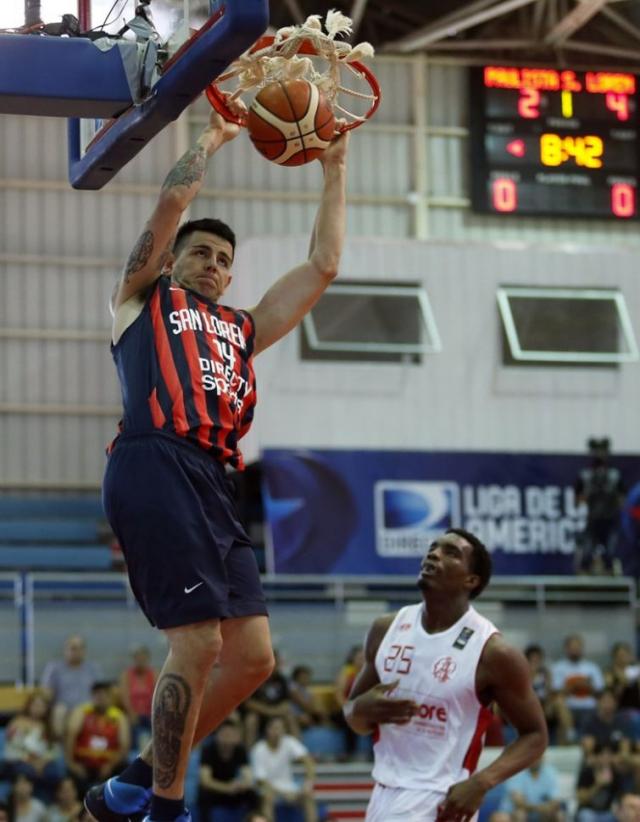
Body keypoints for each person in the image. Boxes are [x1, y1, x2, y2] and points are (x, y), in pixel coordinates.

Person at [84, 95, 349, 822]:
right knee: (197, 641)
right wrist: (214, 136)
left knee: (254, 657)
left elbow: (323, 265)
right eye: (202, 252)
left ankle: (135, 780)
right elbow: (172, 202)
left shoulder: (242, 327)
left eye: (225, 259)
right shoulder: (143, 300)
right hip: (154, 460)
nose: (214, 264)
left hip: (214, 480)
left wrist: (335, 167)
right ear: (174, 261)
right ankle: (164, 809)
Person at [342, 528, 548, 822]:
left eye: (451, 553)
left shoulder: (493, 652)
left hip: (442, 799)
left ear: (471, 580)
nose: (434, 554)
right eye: (433, 548)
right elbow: (352, 715)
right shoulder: (385, 629)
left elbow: (536, 735)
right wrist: (361, 708)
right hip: (383, 794)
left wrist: (482, 781)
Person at [65, 682, 131, 794]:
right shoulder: (82, 712)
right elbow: (70, 737)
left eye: (105, 695)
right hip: (83, 764)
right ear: (92, 696)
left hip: (109, 765)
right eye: (97, 695)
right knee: (72, 777)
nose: (101, 699)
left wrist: (110, 765)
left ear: (110, 697)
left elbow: (124, 746)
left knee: (126, 770)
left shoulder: (119, 717)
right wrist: (72, 764)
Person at [250, 717, 317, 822]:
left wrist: (308, 783)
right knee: (268, 797)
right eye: (274, 728)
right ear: (267, 730)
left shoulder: (289, 741)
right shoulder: (258, 749)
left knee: (308, 795)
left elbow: (308, 761)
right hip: (268, 789)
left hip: (288, 786)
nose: (277, 732)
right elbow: (261, 781)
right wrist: (282, 793)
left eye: (280, 729)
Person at [575, 438, 625, 575]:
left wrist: (612, 497)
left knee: (610, 554)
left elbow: (622, 500)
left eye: (602, 451)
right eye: (596, 451)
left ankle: (610, 577)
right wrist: (589, 493)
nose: (599, 454)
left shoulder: (614, 476)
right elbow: (578, 501)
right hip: (592, 521)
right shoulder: (585, 476)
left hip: (610, 521)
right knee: (586, 554)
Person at [4, 690, 63, 796]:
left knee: (54, 773)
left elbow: (54, 750)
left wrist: (42, 762)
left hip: (42, 761)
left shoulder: (48, 727)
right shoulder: (17, 722)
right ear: (29, 705)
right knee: (26, 771)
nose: (38, 709)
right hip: (19, 760)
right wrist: (30, 761)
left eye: (42, 706)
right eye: (36, 705)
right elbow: (11, 749)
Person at [40, 636, 102, 738]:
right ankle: (60, 747)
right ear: (65, 650)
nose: (77, 652)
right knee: (59, 711)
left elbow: (101, 691)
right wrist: (47, 696)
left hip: (87, 708)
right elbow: (46, 691)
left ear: (84, 651)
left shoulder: (93, 668)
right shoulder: (54, 668)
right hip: (64, 708)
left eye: (80, 648)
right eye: (73, 648)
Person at [198, 720, 259, 822]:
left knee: (252, 794)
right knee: (203, 795)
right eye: (224, 734)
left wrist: (241, 785)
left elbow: (248, 777)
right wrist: (226, 788)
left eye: (230, 735)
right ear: (217, 735)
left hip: (233, 791)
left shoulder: (240, 750)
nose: (227, 739)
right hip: (216, 791)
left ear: (236, 737)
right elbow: (205, 781)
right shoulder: (208, 750)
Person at [551, 635, 605, 734]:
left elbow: (600, 692)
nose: (575, 650)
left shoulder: (592, 667)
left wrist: (588, 686)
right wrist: (574, 686)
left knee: (606, 702)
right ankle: (570, 734)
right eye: (572, 648)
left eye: (577, 647)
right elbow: (556, 693)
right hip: (568, 706)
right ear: (566, 649)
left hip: (590, 705)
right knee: (558, 702)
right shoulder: (558, 668)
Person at [490, 757, 564, 822]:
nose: (536, 759)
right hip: (512, 811)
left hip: (540, 813)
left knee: (558, 815)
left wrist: (548, 808)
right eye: (533, 755)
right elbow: (518, 803)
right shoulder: (516, 771)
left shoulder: (550, 772)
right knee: (520, 814)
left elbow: (556, 801)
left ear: (543, 757)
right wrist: (540, 808)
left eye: (539, 755)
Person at [118, 646, 157, 749]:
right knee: (131, 728)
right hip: (133, 713)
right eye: (138, 658)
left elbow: (157, 696)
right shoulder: (126, 675)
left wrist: (153, 714)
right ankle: (133, 753)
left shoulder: (154, 674)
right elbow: (124, 697)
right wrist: (131, 713)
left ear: (147, 659)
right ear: (134, 659)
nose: (140, 661)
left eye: (143, 658)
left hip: (150, 714)